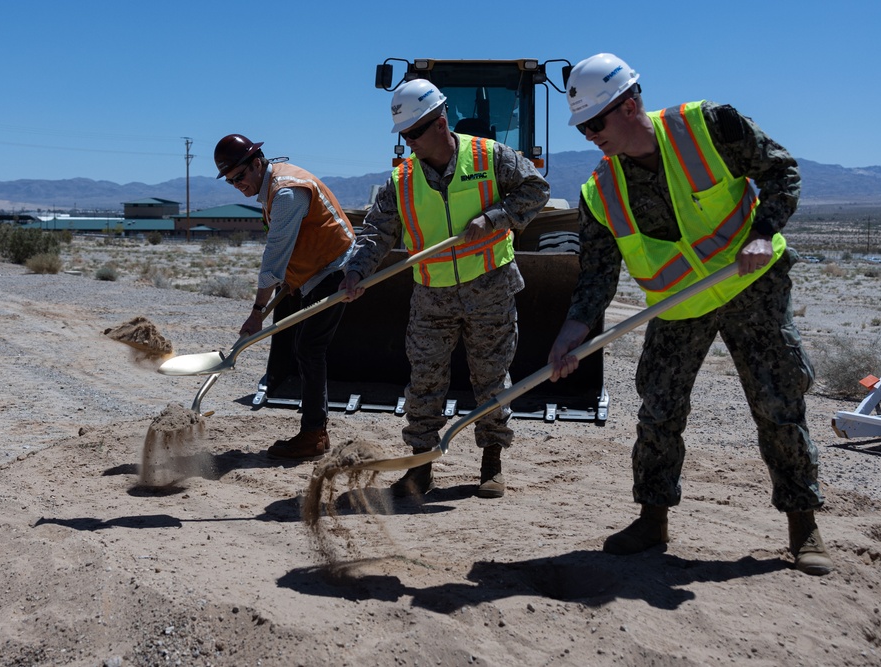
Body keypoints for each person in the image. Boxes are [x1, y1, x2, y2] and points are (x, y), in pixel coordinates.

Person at [548, 54, 832, 575]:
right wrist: (572, 332)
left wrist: (763, 232)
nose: (589, 135)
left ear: (630, 105)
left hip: (751, 286)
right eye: (582, 126)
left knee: (777, 404)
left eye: (596, 122)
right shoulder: (600, 193)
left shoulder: (709, 126)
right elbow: (596, 276)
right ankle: (652, 518)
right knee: (658, 409)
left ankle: (802, 523)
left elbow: (781, 170)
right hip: (679, 306)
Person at [340, 79, 550, 499]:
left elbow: (536, 190)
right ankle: (420, 466)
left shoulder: (490, 156)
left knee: (491, 378)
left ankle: (492, 459)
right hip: (432, 295)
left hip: (490, 285)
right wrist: (354, 272)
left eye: (416, 131)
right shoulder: (400, 181)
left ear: (441, 121)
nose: (411, 142)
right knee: (423, 381)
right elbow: (375, 234)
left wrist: (494, 218)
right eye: (406, 135)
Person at [214, 134, 355, 462]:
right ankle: (315, 432)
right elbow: (290, 251)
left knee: (309, 347)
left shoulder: (287, 192)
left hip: (338, 269)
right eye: (231, 181)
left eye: (241, 176)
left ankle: (313, 435)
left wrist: (257, 310)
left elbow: (273, 257)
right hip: (317, 271)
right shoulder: (271, 186)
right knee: (307, 347)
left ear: (257, 162)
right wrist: (290, 282)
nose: (238, 185)